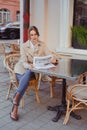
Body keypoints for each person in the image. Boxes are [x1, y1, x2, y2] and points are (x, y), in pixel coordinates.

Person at [10, 25, 59, 121]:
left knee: (27, 75)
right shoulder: (24, 46)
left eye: (35, 34)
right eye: (31, 35)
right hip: (21, 69)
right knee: (26, 77)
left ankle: (16, 101)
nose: (34, 37)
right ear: (29, 36)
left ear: (38, 35)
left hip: (33, 71)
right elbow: (23, 62)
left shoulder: (42, 45)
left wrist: (53, 59)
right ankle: (15, 107)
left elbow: (49, 54)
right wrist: (29, 66)